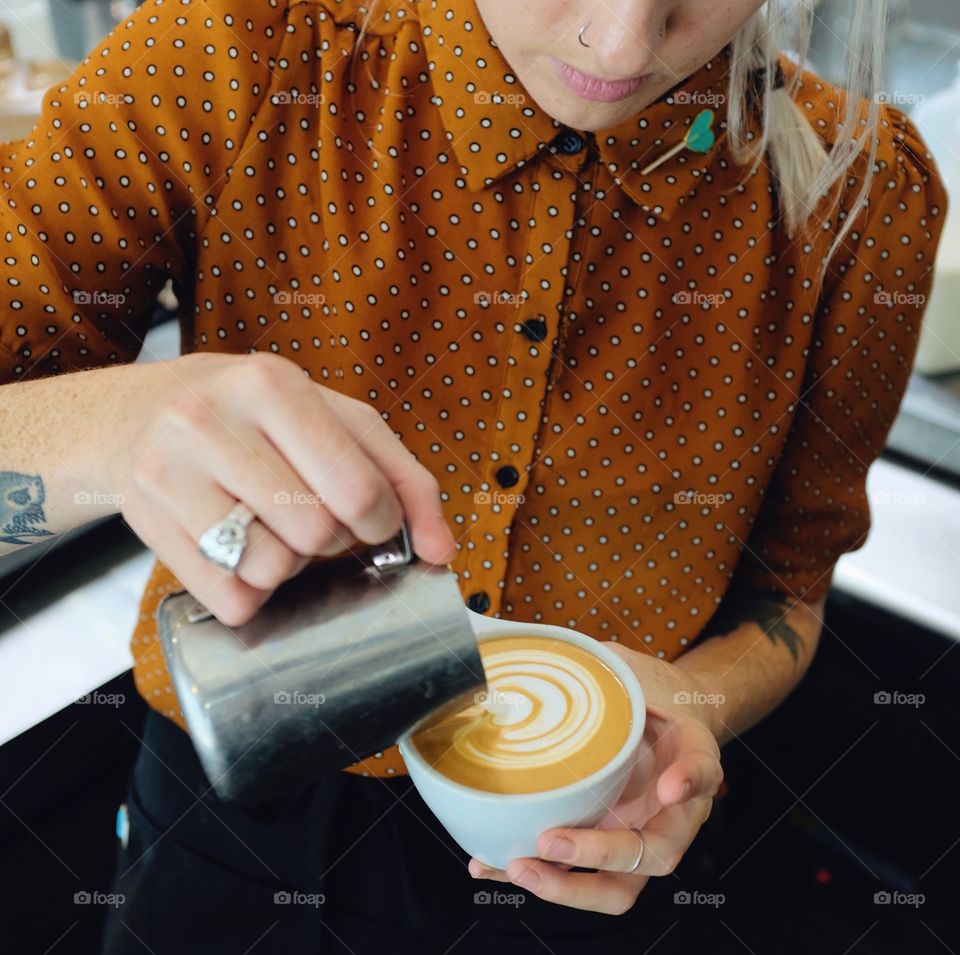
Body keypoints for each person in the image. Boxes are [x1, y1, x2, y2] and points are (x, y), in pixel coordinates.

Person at [0, 0, 946, 950]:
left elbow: (790, 582)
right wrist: (114, 430)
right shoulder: (227, 58)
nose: (619, 44)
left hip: (605, 840)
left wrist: (695, 704)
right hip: (236, 827)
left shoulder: (860, 194)